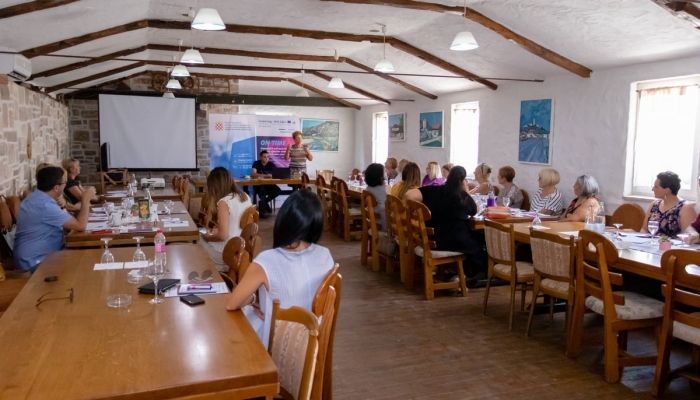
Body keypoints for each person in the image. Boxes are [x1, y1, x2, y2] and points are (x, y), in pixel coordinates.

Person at [226, 190, 335, 347]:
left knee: (237, 320)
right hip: (314, 341)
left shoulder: (267, 261)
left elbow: (232, 304)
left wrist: (253, 300)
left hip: (279, 345)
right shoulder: (326, 255)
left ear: (283, 220)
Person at [405, 166, 487, 278]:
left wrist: (422, 208)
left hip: (431, 239)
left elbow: (409, 195)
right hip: (454, 241)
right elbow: (475, 210)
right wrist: (466, 191)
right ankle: (464, 275)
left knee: (472, 239)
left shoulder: (433, 190)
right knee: (479, 245)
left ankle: (453, 271)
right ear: (463, 181)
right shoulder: (463, 197)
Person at [13, 166, 95, 273]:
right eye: (64, 183)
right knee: (87, 263)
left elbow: (61, 226)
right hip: (36, 262)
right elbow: (80, 226)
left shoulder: (35, 198)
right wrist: (85, 199)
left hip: (37, 257)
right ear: (56, 188)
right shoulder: (45, 205)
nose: (65, 186)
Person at [199, 167, 252, 272]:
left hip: (226, 252)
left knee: (198, 234)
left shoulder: (224, 202)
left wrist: (208, 237)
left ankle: (215, 270)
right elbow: (234, 224)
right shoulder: (245, 196)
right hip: (241, 250)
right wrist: (217, 229)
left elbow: (222, 236)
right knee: (202, 232)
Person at [642, 171, 696, 237]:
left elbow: (687, 237)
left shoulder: (685, 208)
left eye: (656, 187)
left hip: (673, 246)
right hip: (650, 244)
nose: (652, 189)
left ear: (666, 190)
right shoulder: (654, 204)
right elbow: (644, 229)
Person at [251, 150, 281, 218]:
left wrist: (273, 175)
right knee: (262, 192)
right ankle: (263, 210)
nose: (266, 158)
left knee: (278, 191)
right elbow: (253, 174)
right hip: (258, 185)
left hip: (269, 184)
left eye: (268, 157)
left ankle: (263, 203)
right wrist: (265, 175)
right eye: (264, 157)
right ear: (260, 157)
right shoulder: (256, 163)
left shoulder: (271, 164)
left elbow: (276, 173)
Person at [364, 163, 387, 230]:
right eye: (384, 172)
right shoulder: (386, 188)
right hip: (383, 220)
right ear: (380, 176)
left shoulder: (368, 189)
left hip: (371, 217)